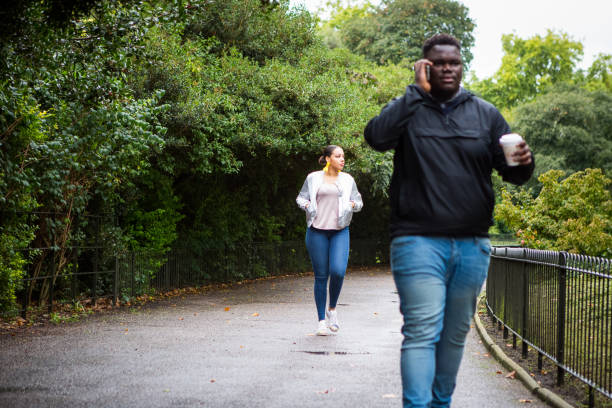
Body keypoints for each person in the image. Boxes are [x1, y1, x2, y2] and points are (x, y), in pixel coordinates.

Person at [364, 34, 534, 407]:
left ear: (462, 65)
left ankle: (440, 403)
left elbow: (514, 175)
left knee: (455, 335)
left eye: (452, 62)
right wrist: (414, 93)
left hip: (472, 245)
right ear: (425, 66)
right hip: (417, 240)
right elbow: (375, 137)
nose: (446, 68)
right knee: (422, 331)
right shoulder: (408, 110)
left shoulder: (485, 114)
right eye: (437, 62)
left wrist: (523, 161)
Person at [296, 145, 363, 336]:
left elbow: (359, 203)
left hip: (339, 231)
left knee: (338, 271)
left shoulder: (348, 180)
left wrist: (352, 204)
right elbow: (300, 198)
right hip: (317, 231)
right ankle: (321, 321)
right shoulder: (313, 178)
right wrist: (307, 205)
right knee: (321, 276)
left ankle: (332, 309)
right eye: (338, 156)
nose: (342, 159)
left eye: (343, 156)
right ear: (327, 159)